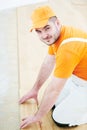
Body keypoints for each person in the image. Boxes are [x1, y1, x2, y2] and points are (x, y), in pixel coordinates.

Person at [19, 5, 87, 129]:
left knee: (59, 118)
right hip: (77, 78)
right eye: (38, 31)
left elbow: (55, 89)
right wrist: (35, 89)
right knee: (51, 104)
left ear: (57, 23)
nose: (44, 35)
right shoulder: (58, 36)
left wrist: (37, 116)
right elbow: (48, 63)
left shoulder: (68, 49)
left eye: (47, 28)